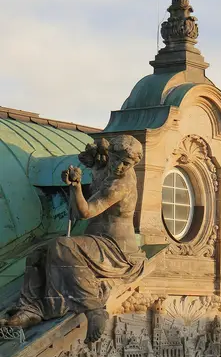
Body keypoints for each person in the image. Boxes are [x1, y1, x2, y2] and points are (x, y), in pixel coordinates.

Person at [2, 135, 145, 342]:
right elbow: (96, 164)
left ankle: (94, 308)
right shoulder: (107, 167)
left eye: (127, 164)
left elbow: (85, 212)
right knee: (38, 253)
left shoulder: (120, 184)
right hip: (97, 242)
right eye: (117, 160)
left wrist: (76, 186)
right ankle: (32, 308)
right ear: (110, 155)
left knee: (62, 246)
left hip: (117, 251)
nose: (120, 167)